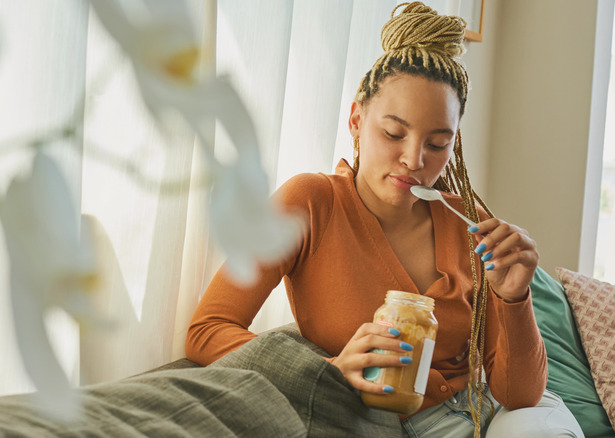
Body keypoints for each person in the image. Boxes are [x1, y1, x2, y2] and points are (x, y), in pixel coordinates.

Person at [186, 3, 584, 437]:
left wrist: (514, 297)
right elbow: (207, 331)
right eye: (394, 133)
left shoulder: (468, 223)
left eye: (437, 143)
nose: (414, 160)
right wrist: (327, 369)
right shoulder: (310, 204)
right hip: (366, 422)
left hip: (486, 412)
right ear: (356, 120)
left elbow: (520, 395)